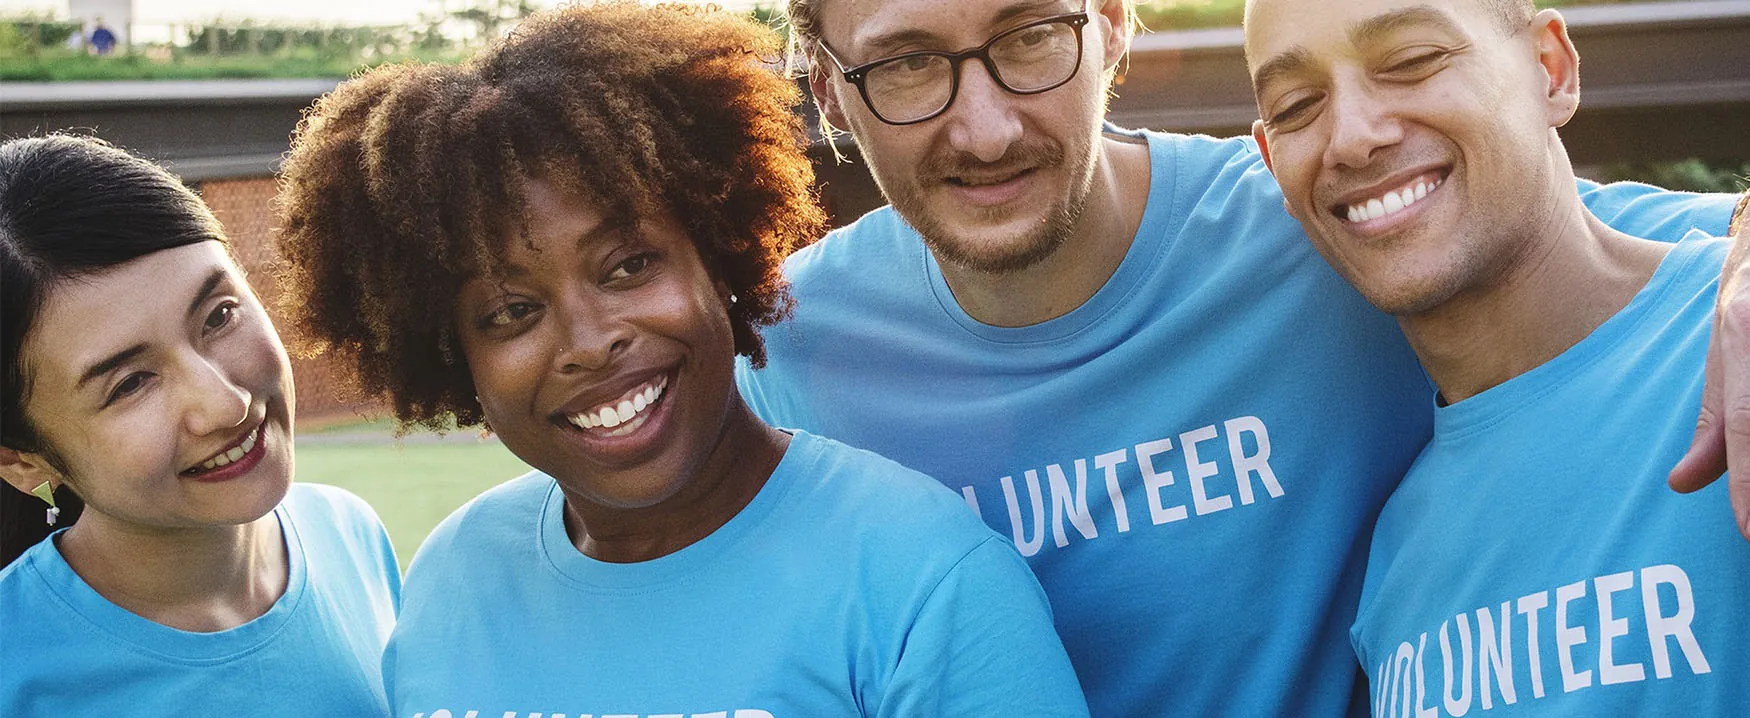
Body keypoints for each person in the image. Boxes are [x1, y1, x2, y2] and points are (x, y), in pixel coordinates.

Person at [737, 0, 1747, 714]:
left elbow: (1586, 245)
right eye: (907, 62)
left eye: (1031, 33)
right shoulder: (785, 348)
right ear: (827, 87)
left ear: (1113, 23)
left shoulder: (1323, 224)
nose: (986, 124)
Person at [274, 4, 1089, 716]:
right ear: (454, 359)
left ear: (721, 259)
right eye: (511, 311)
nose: (590, 342)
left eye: (629, 265)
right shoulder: (453, 575)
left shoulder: (927, 581)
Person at [1244, 0, 1750, 713]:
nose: (1352, 138)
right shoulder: (1396, 559)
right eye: (1298, 105)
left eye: (1412, 62)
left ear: (1550, 70)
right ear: (1272, 166)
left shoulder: (1731, 342)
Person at [0, 134, 400, 716]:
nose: (227, 405)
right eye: (130, 383)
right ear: (20, 459)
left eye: (220, 315)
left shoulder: (350, 534)